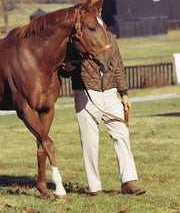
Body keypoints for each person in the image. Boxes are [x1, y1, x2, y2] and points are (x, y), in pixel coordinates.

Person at [59, 31, 146, 196]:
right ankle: (95, 188)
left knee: (122, 135)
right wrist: (67, 68)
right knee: (90, 143)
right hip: (85, 93)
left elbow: (118, 66)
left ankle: (128, 182)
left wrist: (124, 94)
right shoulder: (75, 40)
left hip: (110, 93)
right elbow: (64, 71)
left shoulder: (110, 37)